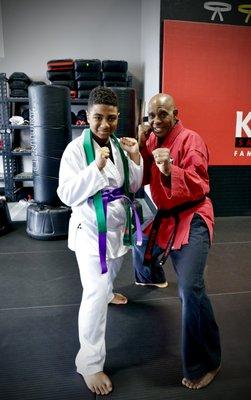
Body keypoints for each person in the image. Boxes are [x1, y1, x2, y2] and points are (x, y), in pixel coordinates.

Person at [57, 86, 143, 395]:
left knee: (109, 279)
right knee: (94, 291)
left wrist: (135, 157)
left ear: (117, 117)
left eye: (110, 118)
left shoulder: (119, 146)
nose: (104, 125)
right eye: (97, 118)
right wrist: (96, 167)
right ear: (87, 117)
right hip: (91, 229)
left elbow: (132, 185)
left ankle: (107, 292)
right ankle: (89, 363)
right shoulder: (76, 151)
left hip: (118, 226)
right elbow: (65, 195)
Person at [133, 93, 221, 390]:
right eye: (151, 116)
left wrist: (171, 169)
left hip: (193, 215)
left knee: (190, 290)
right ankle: (152, 276)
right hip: (166, 216)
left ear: (175, 113)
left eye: (162, 114)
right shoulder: (150, 139)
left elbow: (200, 183)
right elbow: (141, 177)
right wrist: (138, 147)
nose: (156, 121)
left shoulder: (190, 140)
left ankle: (207, 361)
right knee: (137, 241)